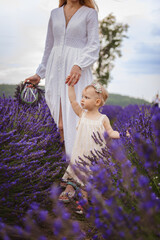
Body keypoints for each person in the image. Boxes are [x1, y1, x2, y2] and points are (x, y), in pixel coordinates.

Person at [25, 0, 100, 156]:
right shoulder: (55, 14)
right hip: (55, 72)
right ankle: (58, 167)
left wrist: (79, 65)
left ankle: (76, 169)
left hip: (77, 74)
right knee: (58, 125)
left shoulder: (89, 13)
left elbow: (93, 46)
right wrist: (39, 74)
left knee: (75, 121)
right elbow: (49, 46)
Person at [59, 81, 120, 213]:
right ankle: (80, 199)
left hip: (94, 155)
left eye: (86, 97)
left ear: (97, 102)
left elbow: (110, 132)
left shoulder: (103, 119)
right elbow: (72, 101)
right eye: (83, 96)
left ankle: (87, 201)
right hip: (80, 154)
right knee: (80, 178)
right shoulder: (82, 114)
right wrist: (70, 86)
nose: (82, 100)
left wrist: (122, 135)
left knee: (88, 179)